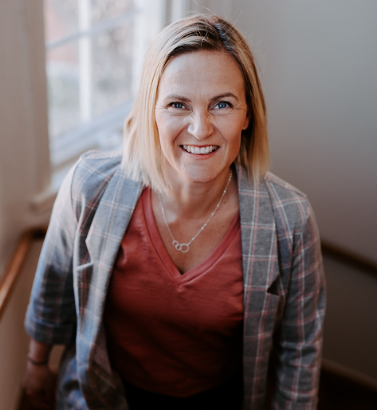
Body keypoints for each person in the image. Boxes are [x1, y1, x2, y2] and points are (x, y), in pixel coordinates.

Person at [23, 14, 325, 410]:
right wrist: (37, 364)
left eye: (222, 104)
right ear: (153, 111)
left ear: (247, 115)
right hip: (106, 394)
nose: (200, 129)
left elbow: (300, 350)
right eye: (178, 104)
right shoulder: (89, 187)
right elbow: (54, 283)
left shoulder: (291, 220)